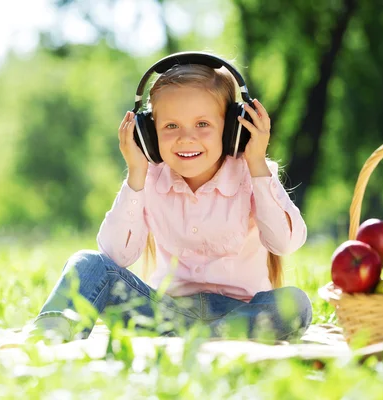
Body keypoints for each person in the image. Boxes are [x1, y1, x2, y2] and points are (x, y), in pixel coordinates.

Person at [22, 52, 313, 344]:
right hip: (163, 312)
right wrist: (136, 173)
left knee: (295, 304)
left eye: (203, 124)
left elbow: (285, 242)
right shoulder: (149, 178)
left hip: (241, 313)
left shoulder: (253, 174)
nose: (186, 138)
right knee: (87, 262)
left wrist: (258, 165)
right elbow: (116, 256)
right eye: (171, 126)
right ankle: (48, 339)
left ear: (232, 129)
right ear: (148, 134)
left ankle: (204, 337)